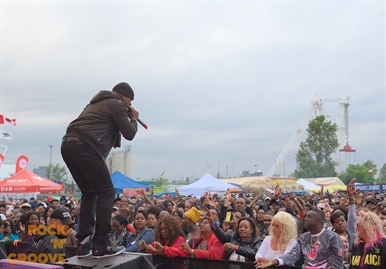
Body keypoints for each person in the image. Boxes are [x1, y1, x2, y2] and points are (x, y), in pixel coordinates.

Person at [61, 82, 139, 258]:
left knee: (89, 193)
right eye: (130, 101)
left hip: (68, 145)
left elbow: (115, 140)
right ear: (124, 96)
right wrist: (133, 118)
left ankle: (83, 244)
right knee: (107, 192)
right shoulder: (117, 103)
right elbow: (129, 134)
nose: (130, 105)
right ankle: (100, 244)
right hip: (86, 146)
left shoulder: (95, 104)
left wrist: (124, 116)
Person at [256, 209, 343, 269]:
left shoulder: (332, 237)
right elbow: (293, 255)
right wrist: (274, 262)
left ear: (318, 221)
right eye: (305, 217)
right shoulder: (303, 237)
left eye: (309, 217)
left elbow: (336, 263)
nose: (305, 219)